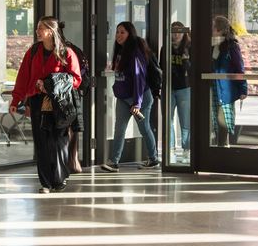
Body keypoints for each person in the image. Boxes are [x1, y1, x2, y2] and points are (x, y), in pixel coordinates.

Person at [10, 16, 82, 193]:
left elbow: (76, 79)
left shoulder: (66, 52)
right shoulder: (33, 52)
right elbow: (23, 77)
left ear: (50, 31)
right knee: (41, 141)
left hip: (59, 103)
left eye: (40, 28)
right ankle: (46, 183)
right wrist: (16, 100)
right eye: (37, 27)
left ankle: (59, 178)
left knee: (58, 141)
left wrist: (50, 83)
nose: (37, 31)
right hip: (37, 101)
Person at [100, 21, 160, 172]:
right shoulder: (120, 51)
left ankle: (153, 159)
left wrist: (137, 102)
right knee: (119, 129)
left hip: (140, 98)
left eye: (123, 32)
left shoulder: (135, 52)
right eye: (117, 32)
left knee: (144, 128)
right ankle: (113, 162)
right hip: (123, 97)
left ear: (130, 34)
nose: (118, 35)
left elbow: (139, 79)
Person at [210, 15, 247, 148]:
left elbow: (239, 68)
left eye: (213, 26)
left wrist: (243, 89)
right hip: (211, 86)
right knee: (211, 119)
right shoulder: (209, 45)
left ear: (220, 30)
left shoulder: (231, 46)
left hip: (224, 88)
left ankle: (223, 148)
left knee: (223, 120)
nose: (211, 29)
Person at [58, 20, 88, 174]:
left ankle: (62, 164)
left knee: (64, 129)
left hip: (64, 96)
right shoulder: (73, 48)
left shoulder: (64, 51)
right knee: (72, 129)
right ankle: (72, 162)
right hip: (74, 95)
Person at [168, 22, 191, 157]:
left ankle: (186, 149)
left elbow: (191, 70)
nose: (176, 35)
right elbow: (161, 67)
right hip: (169, 88)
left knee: (185, 120)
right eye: (173, 32)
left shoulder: (189, 48)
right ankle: (170, 149)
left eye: (179, 32)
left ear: (184, 33)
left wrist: (185, 60)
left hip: (184, 88)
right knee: (168, 121)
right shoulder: (166, 48)